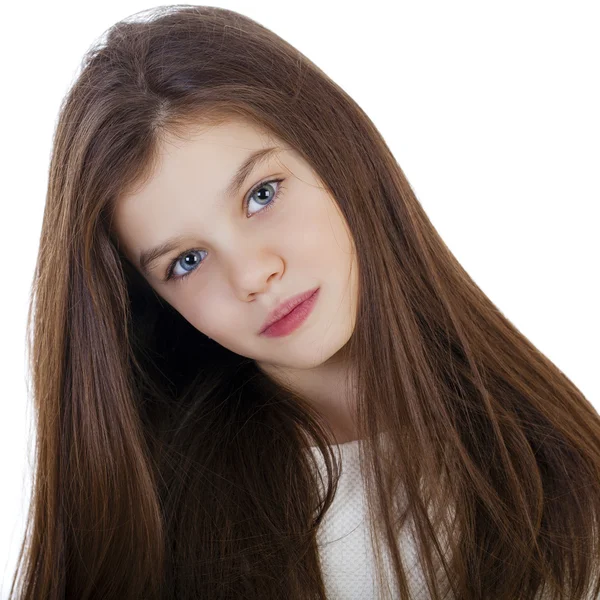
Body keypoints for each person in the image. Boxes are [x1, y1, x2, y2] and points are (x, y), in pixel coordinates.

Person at [9, 6, 600, 600]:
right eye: (186, 261)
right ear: (154, 302)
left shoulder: (556, 456)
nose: (254, 274)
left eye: (261, 194)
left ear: (336, 153)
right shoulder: (158, 528)